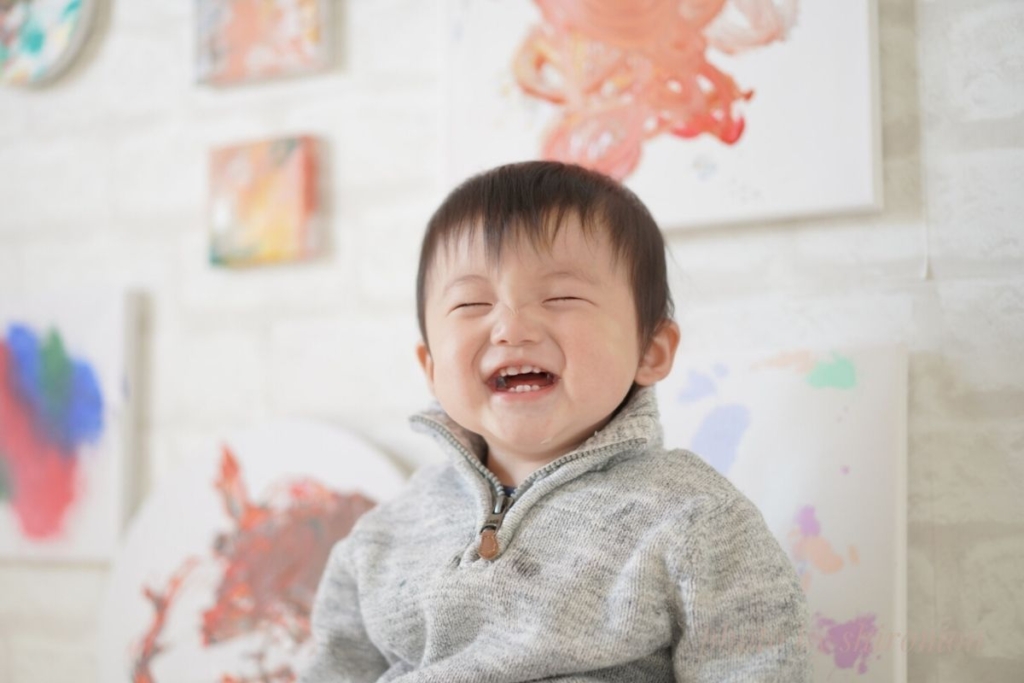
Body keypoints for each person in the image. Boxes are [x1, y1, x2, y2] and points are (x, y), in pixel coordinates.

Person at [299, 161, 810, 682]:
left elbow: (756, 666)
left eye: (561, 297)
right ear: (430, 367)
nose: (511, 327)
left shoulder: (693, 517)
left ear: (651, 350)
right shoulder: (384, 536)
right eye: (472, 303)